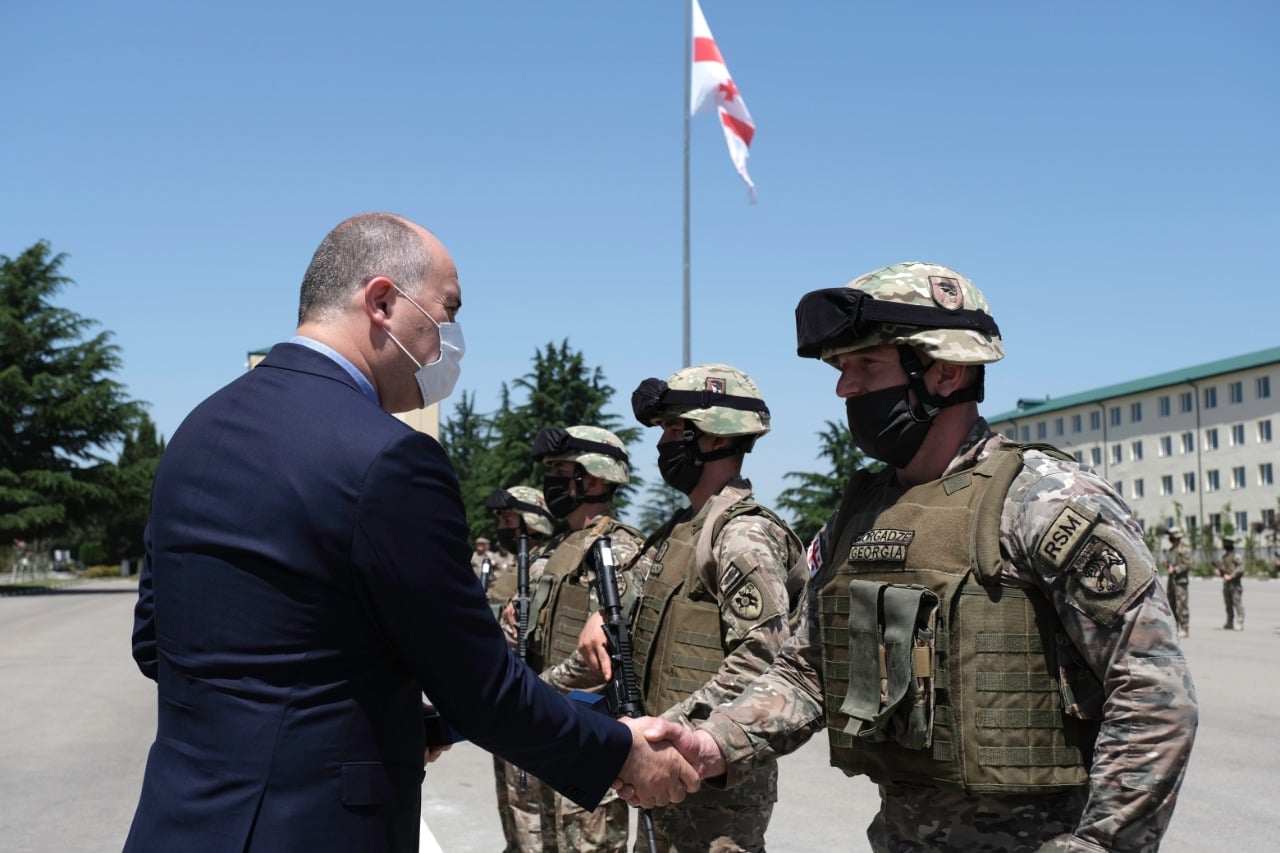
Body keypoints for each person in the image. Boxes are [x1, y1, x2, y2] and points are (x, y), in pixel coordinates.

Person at [125, 212, 698, 852]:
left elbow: (158, 644)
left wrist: (386, 721)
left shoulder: (196, 433)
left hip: (179, 823)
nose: (449, 340)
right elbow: (480, 689)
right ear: (382, 301)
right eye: (446, 312)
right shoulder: (388, 457)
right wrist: (622, 753)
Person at [648, 263, 1198, 852]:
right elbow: (807, 671)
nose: (844, 388)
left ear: (945, 372)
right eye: (841, 369)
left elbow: (1153, 696)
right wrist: (716, 741)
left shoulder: (1043, 500)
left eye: (866, 365)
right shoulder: (859, 518)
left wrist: (1100, 844)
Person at [584, 364, 806, 852]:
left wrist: (671, 733)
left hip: (712, 786)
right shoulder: (684, 528)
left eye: (673, 429)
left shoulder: (740, 534)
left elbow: (763, 660)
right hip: (664, 767)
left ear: (715, 437)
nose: (663, 443)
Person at [495, 425, 647, 852]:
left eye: (561, 470)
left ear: (594, 480)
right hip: (549, 726)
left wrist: (536, 692)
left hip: (587, 731)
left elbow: (605, 653)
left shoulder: (619, 550)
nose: (551, 481)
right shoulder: (558, 551)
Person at [484, 485, 558, 853]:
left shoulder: (547, 569)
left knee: (529, 807)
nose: (502, 527)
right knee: (514, 806)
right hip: (509, 701)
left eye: (509, 520)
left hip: (532, 700)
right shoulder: (518, 568)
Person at [1163, 526, 1192, 637]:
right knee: (1172, 605)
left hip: (1180, 582)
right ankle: (1174, 628)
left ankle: (1184, 628)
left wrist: (1175, 569)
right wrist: (1167, 565)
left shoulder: (1184, 549)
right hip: (1171, 581)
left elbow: (1188, 564)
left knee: (1182, 605)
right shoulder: (1171, 550)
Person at [1217, 535, 1244, 630]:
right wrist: (1220, 573)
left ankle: (1240, 622)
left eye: (1226, 543)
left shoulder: (1236, 556)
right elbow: (1224, 570)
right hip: (1226, 583)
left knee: (1237, 603)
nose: (1225, 545)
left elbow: (1240, 568)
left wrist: (1231, 576)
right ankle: (1229, 621)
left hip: (1235, 583)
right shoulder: (1224, 557)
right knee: (1228, 604)